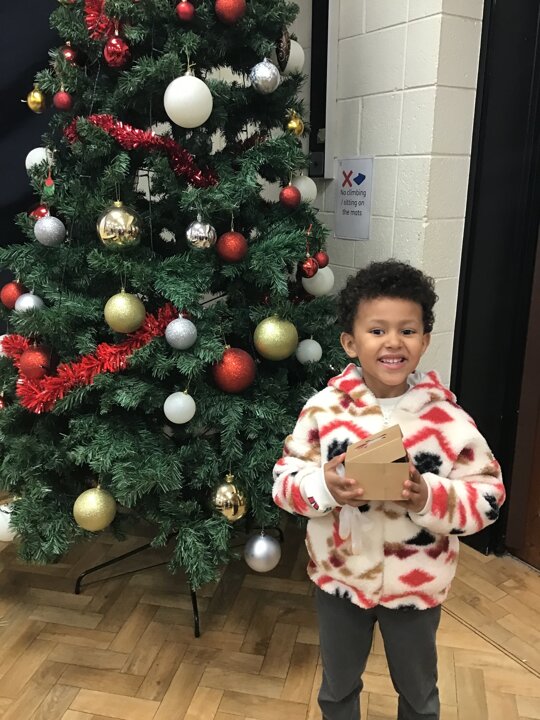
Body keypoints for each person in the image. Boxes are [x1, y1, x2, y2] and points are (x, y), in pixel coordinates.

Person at [272, 259, 505, 720]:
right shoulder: (323, 411)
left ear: (424, 341)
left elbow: (488, 497)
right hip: (340, 580)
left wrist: (428, 496)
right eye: (377, 330)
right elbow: (284, 482)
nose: (393, 342)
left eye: (408, 330)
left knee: (419, 693)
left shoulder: (449, 420)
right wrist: (326, 488)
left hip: (417, 586)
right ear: (350, 342)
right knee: (338, 687)